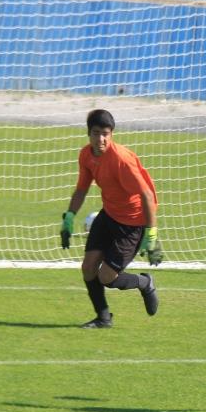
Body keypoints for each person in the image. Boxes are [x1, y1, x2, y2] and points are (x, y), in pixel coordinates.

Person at [61, 109, 163, 328]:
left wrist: (151, 234)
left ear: (112, 133)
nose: (101, 139)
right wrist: (69, 217)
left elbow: (146, 194)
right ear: (89, 133)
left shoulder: (121, 160)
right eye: (96, 133)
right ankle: (103, 318)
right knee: (88, 268)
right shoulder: (86, 155)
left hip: (133, 223)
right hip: (108, 215)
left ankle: (144, 283)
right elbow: (81, 189)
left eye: (105, 133)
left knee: (107, 277)